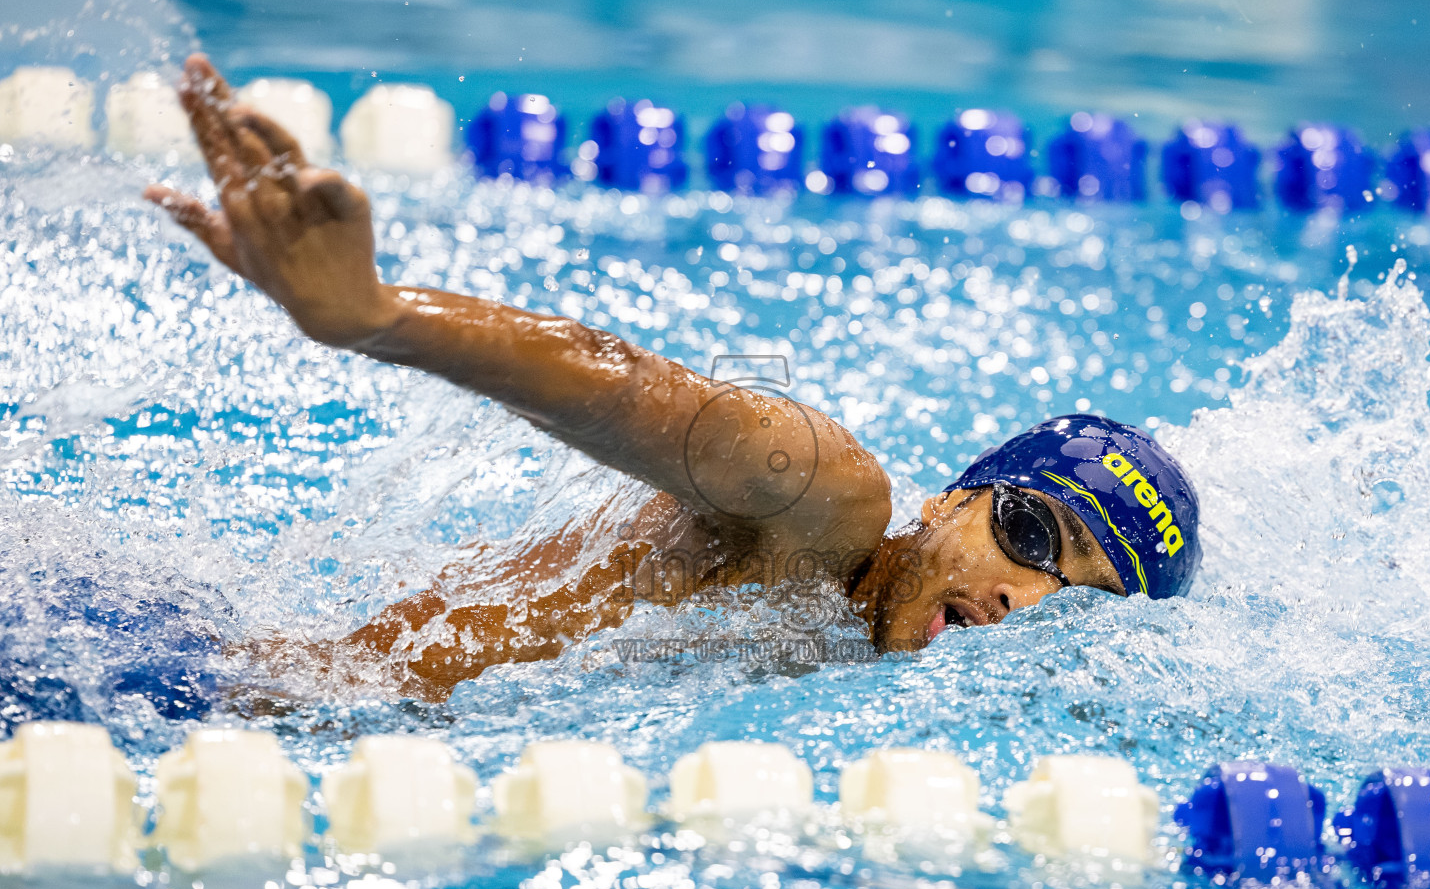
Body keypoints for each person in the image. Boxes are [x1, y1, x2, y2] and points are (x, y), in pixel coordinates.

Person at [146, 55, 1203, 702]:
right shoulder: (829, 506)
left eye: (1077, 602)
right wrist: (376, 320)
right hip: (200, 686)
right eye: (1027, 534)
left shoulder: (858, 677)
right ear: (952, 501)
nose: (1025, 599)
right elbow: (626, 390)